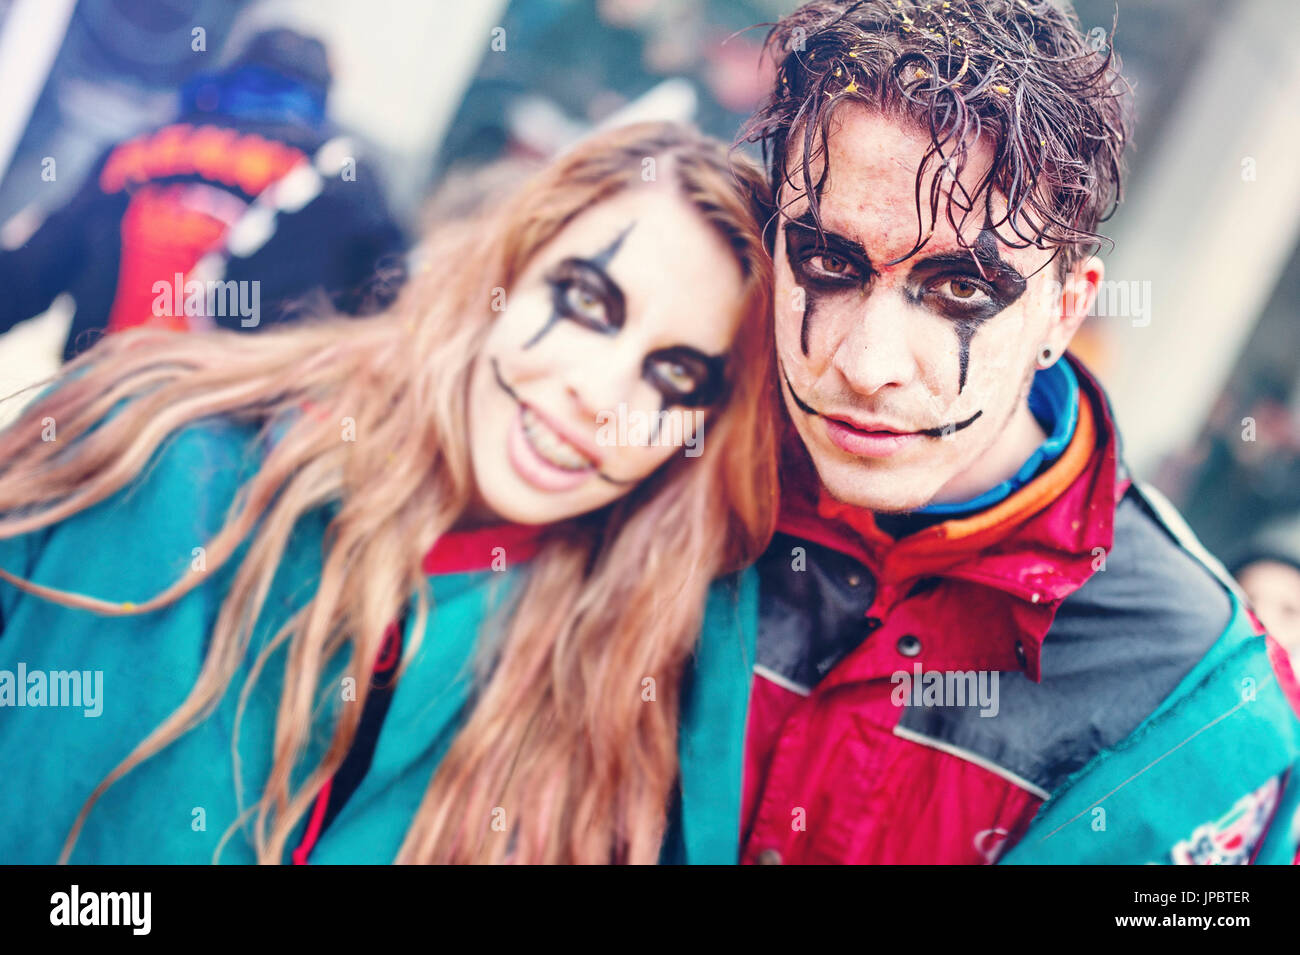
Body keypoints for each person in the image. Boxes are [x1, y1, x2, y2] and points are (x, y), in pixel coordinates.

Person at [0, 122, 778, 864]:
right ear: (505, 271)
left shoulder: (626, 677)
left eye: (677, 375)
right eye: (584, 302)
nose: (600, 395)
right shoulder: (150, 443)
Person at [711, 0, 1300, 864]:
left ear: (1065, 311)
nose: (869, 364)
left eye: (959, 291)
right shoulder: (669, 480)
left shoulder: (1204, 707)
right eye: (830, 265)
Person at [0, 28, 406, 363]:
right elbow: (390, 319)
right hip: (219, 439)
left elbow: (24, 278)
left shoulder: (137, 151)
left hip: (88, 417)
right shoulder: (339, 179)